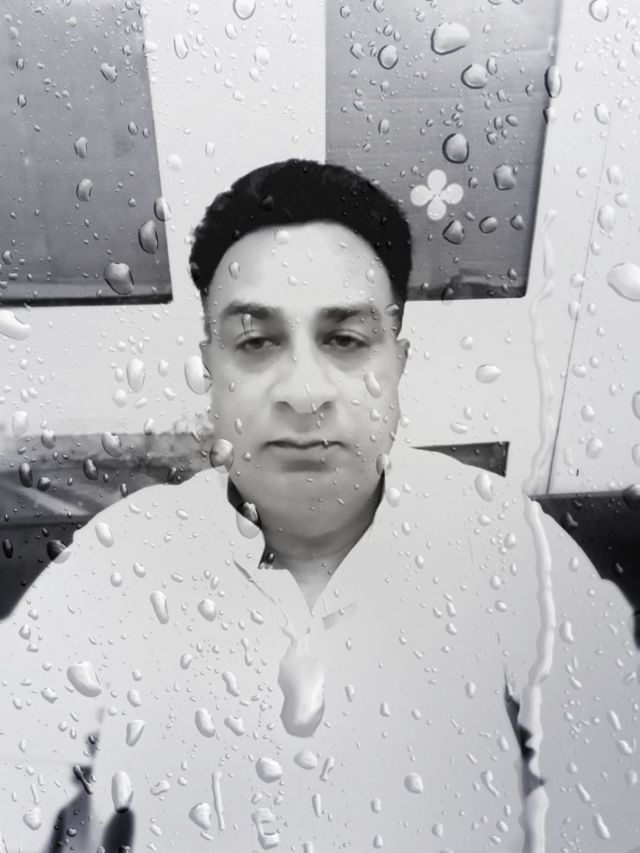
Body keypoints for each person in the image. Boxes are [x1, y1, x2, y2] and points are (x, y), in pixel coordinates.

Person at [1, 160, 637, 853]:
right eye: (256, 342)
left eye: (345, 340)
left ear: (397, 362)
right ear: (211, 367)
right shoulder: (124, 555)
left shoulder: (497, 533)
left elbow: (614, 764)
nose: (305, 392)